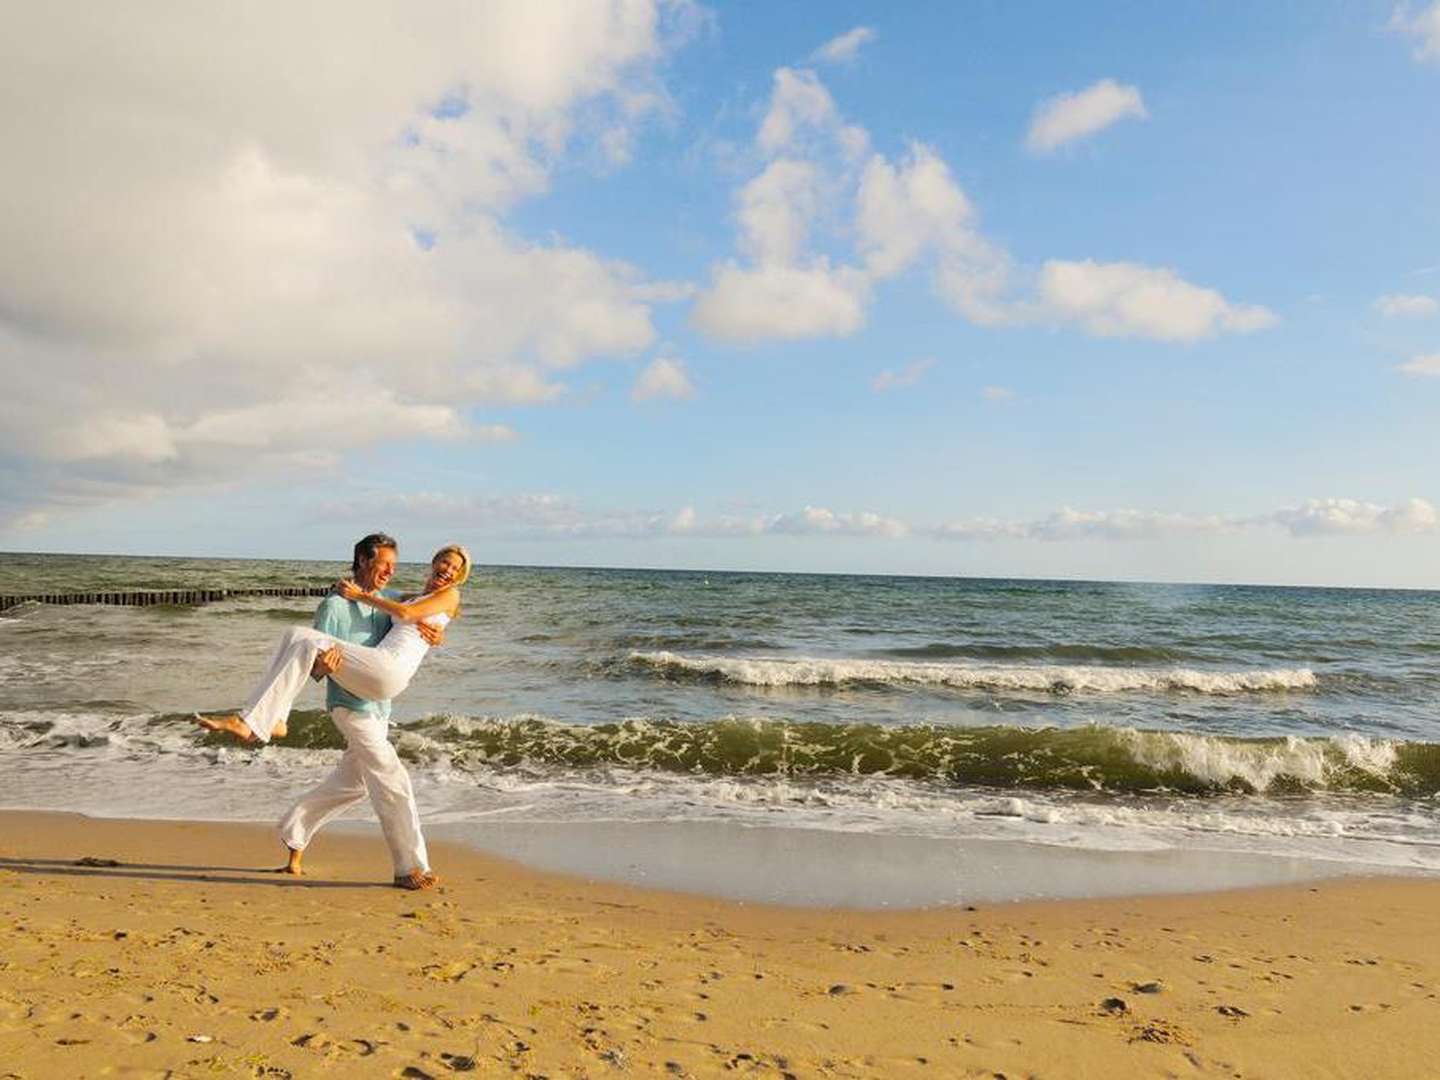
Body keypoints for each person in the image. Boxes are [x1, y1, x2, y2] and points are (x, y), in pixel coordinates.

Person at [195, 536, 468, 890]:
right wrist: (324, 665)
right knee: (390, 777)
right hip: (351, 705)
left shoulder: (394, 600)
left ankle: (293, 828)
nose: (389, 571)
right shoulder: (336, 607)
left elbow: (413, 617)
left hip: (381, 699)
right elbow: (311, 666)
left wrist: (437, 634)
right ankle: (409, 868)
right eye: (383, 563)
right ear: (362, 561)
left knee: (351, 785)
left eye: (393, 566)